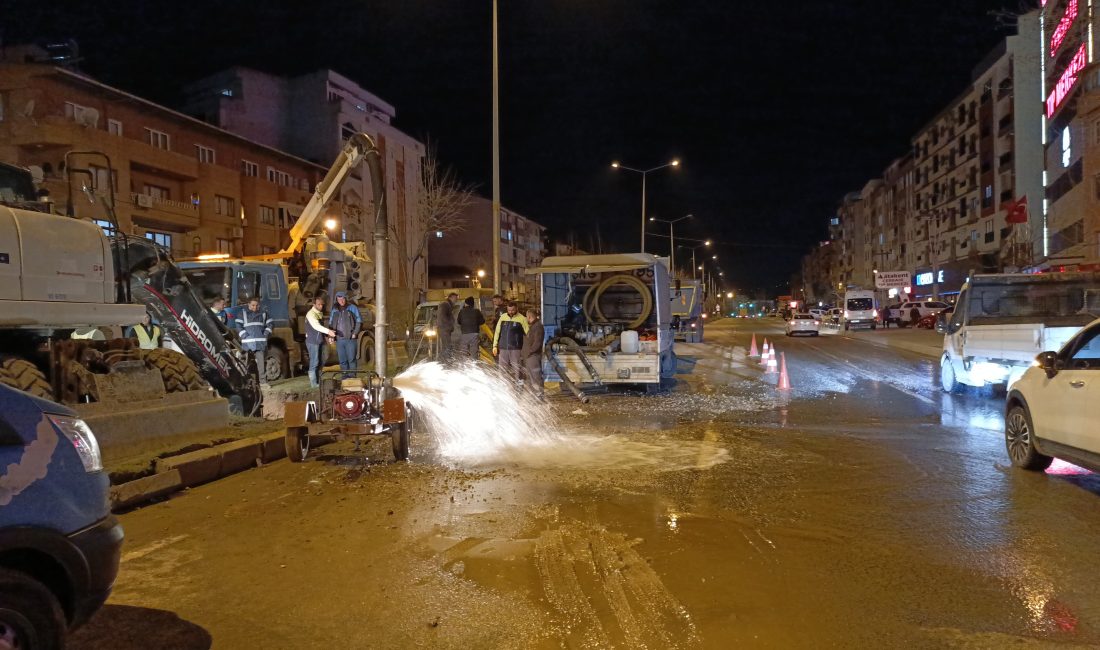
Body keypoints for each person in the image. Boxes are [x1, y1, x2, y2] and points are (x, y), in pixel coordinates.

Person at [237, 297, 273, 384]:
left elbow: (270, 324)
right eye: (253, 305)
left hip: (259, 343)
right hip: (247, 345)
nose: (255, 307)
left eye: (257, 305)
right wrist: (245, 336)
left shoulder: (264, 313)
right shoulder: (242, 314)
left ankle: (263, 383)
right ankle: (245, 383)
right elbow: (238, 326)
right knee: (245, 365)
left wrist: (265, 334)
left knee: (261, 364)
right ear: (248, 304)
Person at [493, 301, 529, 383]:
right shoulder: (502, 317)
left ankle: (519, 384)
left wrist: (528, 348)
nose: (510, 312)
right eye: (509, 310)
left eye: (512, 310)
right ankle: (503, 384)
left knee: (517, 368)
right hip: (503, 348)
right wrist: (495, 345)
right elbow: (497, 332)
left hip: (515, 349)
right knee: (502, 368)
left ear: (516, 308)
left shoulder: (522, 319)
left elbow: (528, 334)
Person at [305, 296, 336, 388]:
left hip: (319, 340)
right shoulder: (311, 314)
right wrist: (329, 332)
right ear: (314, 304)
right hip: (312, 341)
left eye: (322, 304)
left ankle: (318, 380)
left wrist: (327, 337)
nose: (321, 306)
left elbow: (321, 329)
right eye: (319, 304)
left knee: (323, 359)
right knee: (314, 361)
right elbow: (316, 326)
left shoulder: (319, 313)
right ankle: (313, 383)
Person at [329, 291, 362, 375]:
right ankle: (345, 379)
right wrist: (331, 336)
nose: (341, 301)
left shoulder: (352, 308)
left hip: (350, 339)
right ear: (336, 299)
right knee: (342, 361)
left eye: (343, 299)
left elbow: (359, 321)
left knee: (351, 360)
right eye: (339, 299)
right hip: (339, 340)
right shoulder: (334, 310)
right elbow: (331, 323)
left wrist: (355, 332)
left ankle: (353, 379)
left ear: (345, 299)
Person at [521, 308, 545, 399]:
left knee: (536, 375)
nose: (526, 319)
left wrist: (530, 352)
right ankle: (535, 395)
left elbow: (537, 343)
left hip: (533, 355)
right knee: (532, 376)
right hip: (530, 355)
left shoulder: (538, 326)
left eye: (527, 317)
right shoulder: (534, 326)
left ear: (529, 316)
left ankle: (539, 395)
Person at [456, 296, 485, 361]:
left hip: (464, 334)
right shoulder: (477, 311)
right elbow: (482, 321)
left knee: (464, 351)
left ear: (466, 304)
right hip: (474, 334)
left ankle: (464, 366)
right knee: (474, 352)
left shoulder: (462, 311)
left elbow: (458, 321)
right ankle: (473, 367)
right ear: (473, 304)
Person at [435, 292, 458, 361]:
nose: (456, 300)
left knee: (447, 346)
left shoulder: (448, 305)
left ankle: (446, 360)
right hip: (444, 329)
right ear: (451, 297)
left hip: (444, 329)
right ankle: (446, 361)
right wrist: (448, 326)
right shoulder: (445, 304)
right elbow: (442, 317)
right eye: (455, 298)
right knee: (447, 346)